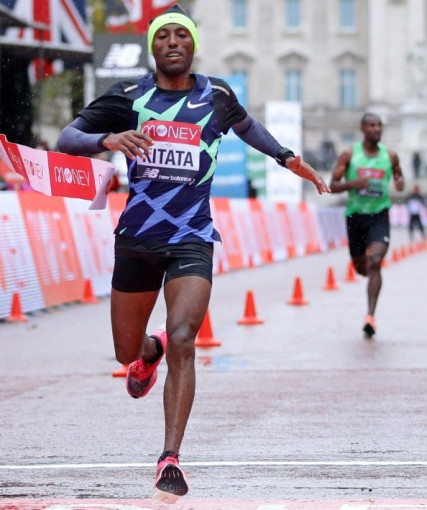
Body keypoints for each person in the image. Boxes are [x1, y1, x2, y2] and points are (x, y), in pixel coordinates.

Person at [56, 5, 328, 502]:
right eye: (164, 36)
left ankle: (169, 458)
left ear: (193, 44)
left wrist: (288, 158)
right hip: (137, 238)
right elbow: (66, 138)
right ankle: (148, 352)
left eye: (183, 34)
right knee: (125, 351)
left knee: (186, 336)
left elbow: (248, 128)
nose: (174, 42)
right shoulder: (131, 95)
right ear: (153, 47)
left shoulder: (216, 95)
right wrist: (107, 138)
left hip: (191, 237)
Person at [330, 112, 404, 338]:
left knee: (375, 261)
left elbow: (400, 179)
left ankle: (370, 316)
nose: (376, 129)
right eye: (371, 125)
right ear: (363, 129)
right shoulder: (349, 155)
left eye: (379, 125)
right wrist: (354, 183)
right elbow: (332, 185)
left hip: (379, 216)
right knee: (362, 268)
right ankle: (365, 272)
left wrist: (399, 182)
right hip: (355, 217)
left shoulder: (390, 156)